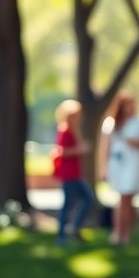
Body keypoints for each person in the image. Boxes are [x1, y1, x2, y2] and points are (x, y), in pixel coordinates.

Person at [103, 93, 139, 246]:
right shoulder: (112, 123)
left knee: (127, 199)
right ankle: (118, 232)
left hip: (133, 163)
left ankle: (125, 233)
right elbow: (105, 147)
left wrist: (134, 142)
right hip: (117, 164)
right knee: (121, 199)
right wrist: (103, 168)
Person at [51, 99, 97, 246]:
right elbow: (61, 151)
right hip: (69, 174)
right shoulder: (65, 130)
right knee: (69, 204)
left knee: (87, 199)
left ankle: (74, 228)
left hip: (75, 173)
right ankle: (62, 235)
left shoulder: (74, 130)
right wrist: (80, 149)